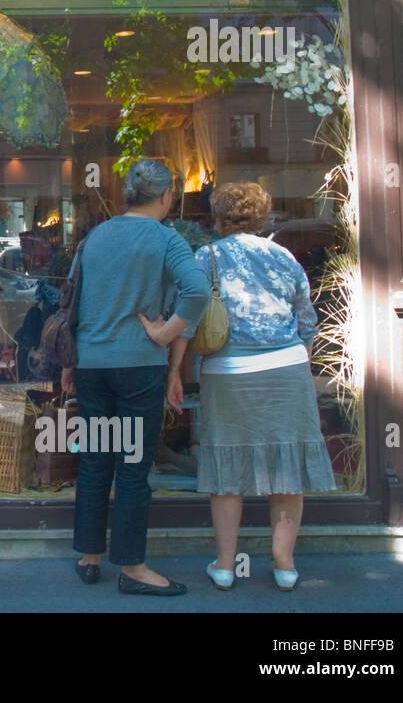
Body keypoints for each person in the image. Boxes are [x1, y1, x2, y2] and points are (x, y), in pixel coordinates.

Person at [139, 182, 336, 592]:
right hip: (286, 370)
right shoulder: (284, 256)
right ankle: (284, 565)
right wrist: (289, 357)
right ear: (261, 217)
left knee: (227, 470)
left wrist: (175, 371)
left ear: (218, 218)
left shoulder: (205, 257)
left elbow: (187, 321)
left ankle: (226, 566)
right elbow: (307, 321)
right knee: (287, 469)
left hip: (228, 372)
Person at [64, 159, 211, 596]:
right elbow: (198, 291)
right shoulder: (167, 239)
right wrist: (166, 333)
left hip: (91, 366)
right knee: (131, 469)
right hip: (138, 367)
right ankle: (133, 568)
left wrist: (70, 363)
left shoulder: (95, 236)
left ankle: (89, 558)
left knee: (94, 462)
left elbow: (74, 301)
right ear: (166, 196)